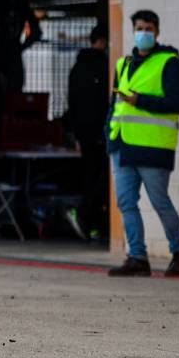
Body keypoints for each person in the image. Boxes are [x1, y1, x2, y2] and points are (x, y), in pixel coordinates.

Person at [107, 10, 179, 277]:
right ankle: (137, 257)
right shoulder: (123, 64)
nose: (144, 33)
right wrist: (109, 135)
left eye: (148, 28)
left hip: (153, 147)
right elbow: (115, 104)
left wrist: (141, 101)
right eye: (139, 28)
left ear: (157, 32)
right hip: (122, 145)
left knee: (160, 201)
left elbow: (176, 102)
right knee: (126, 203)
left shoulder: (169, 62)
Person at [66, 24, 110, 240]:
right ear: (103, 41)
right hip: (102, 131)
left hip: (83, 133)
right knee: (104, 178)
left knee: (90, 175)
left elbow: (71, 102)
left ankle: (90, 221)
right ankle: (89, 217)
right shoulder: (105, 66)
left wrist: (74, 133)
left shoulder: (77, 68)